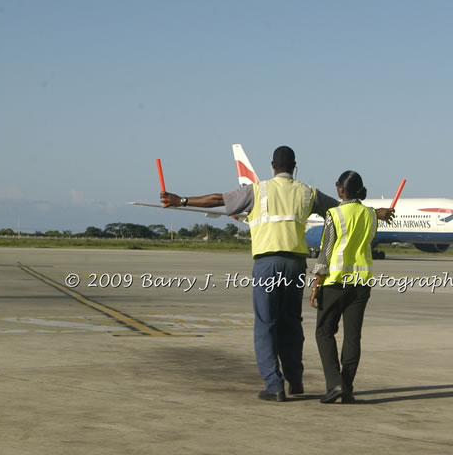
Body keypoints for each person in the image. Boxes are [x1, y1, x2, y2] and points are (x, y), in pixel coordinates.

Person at [161, 146, 392, 402]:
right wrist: (375, 213)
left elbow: (218, 199)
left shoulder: (256, 190)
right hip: (295, 265)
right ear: (295, 166)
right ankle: (295, 380)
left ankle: (274, 385)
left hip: (268, 264)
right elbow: (342, 209)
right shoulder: (307, 192)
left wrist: (180, 200)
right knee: (291, 321)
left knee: (266, 323)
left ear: (272, 166)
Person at [309, 171, 378, 404]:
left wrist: (316, 282)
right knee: (352, 336)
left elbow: (325, 251)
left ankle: (334, 384)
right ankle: (346, 388)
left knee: (324, 332)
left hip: (336, 282)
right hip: (361, 283)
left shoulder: (334, 214)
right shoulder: (371, 215)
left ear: (341, 190)